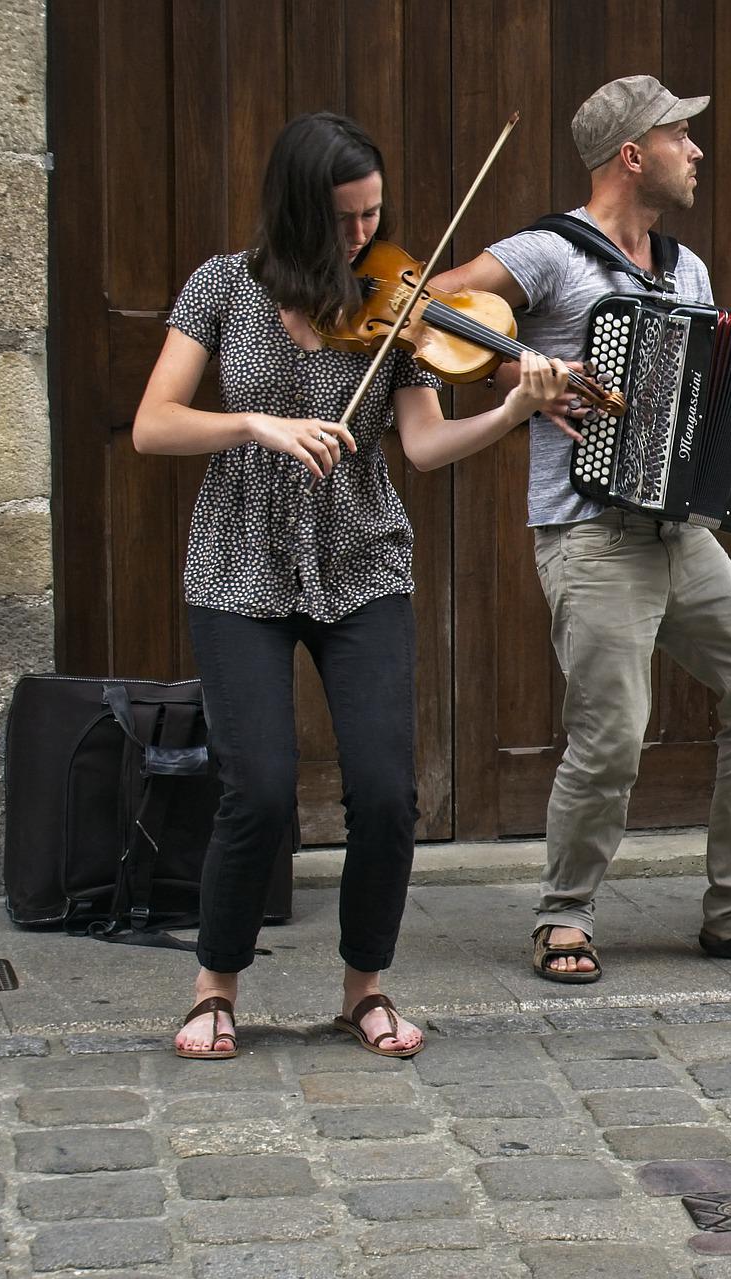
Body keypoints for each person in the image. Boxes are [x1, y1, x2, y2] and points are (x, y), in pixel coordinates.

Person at [135, 112, 571, 1059]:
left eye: (374, 214)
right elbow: (153, 424)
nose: (365, 238)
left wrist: (510, 409)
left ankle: (363, 987)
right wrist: (255, 423)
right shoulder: (222, 285)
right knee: (259, 787)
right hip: (240, 563)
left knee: (383, 791)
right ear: (298, 211)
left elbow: (422, 445)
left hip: (362, 561)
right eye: (344, 220)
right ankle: (215, 985)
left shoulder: (398, 303)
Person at [429, 76, 731, 982]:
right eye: (680, 136)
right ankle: (564, 913)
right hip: (588, 534)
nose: (696, 151)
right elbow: (435, 306)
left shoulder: (684, 271)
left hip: (679, 531)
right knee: (613, 731)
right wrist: (521, 374)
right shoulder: (547, 254)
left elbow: (705, 404)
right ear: (632, 154)